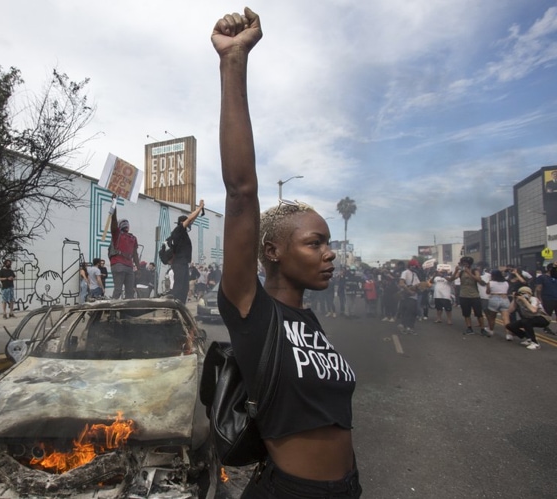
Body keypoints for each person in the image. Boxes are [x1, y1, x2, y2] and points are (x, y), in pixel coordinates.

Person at [212, 8, 361, 498]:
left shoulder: (310, 322)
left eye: (329, 244)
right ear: (272, 250)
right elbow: (240, 191)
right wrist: (234, 63)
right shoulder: (253, 312)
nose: (329, 255)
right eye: (315, 243)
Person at [168, 202, 205, 302]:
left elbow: (191, 220)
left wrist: (199, 210)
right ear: (182, 223)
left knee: (184, 288)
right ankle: (174, 309)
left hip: (183, 263)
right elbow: (189, 219)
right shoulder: (179, 230)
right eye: (188, 223)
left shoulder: (182, 232)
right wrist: (199, 208)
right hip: (179, 263)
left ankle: (181, 307)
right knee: (179, 287)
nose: (190, 225)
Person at [108, 206, 141, 299]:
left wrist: (138, 268)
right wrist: (114, 207)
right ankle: (112, 312)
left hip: (129, 266)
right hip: (118, 264)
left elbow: (135, 254)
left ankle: (126, 312)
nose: (126, 225)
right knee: (118, 290)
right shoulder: (117, 234)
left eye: (127, 223)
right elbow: (113, 221)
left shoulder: (133, 238)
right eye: (124, 223)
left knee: (130, 291)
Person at [453, 256, 486, 335]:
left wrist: (469, 273)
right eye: (463, 263)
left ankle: (482, 329)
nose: (465, 264)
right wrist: (456, 271)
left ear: (469, 264)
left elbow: (479, 280)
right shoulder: (461, 272)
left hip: (474, 295)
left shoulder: (475, 271)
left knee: (479, 313)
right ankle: (469, 328)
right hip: (463, 295)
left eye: (466, 263)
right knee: (466, 313)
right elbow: (453, 278)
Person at [484, 269, 510, 339]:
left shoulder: (490, 283)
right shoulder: (506, 283)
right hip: (504, 298)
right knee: (506, 318)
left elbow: (488, 292)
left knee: (492, 317)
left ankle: (491, 330)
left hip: (494, 298)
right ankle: (508, 334)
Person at [533, 264, 557, 335]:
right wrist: (539, 299)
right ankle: (546, 327)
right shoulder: (542, 277)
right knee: (547, 314)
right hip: (547, 298)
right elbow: (538, 289)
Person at [398, 261, 420, 334]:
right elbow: (401, 283)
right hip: (407, 296)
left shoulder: (415, 274)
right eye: (415, 266)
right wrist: (409, 291)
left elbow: (418, 284)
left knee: (413, 312)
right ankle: (406, 327)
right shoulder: (405, 272)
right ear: (411, 266)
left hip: (414, 296)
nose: (416, 268)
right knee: (408, 312)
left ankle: (409, 327)